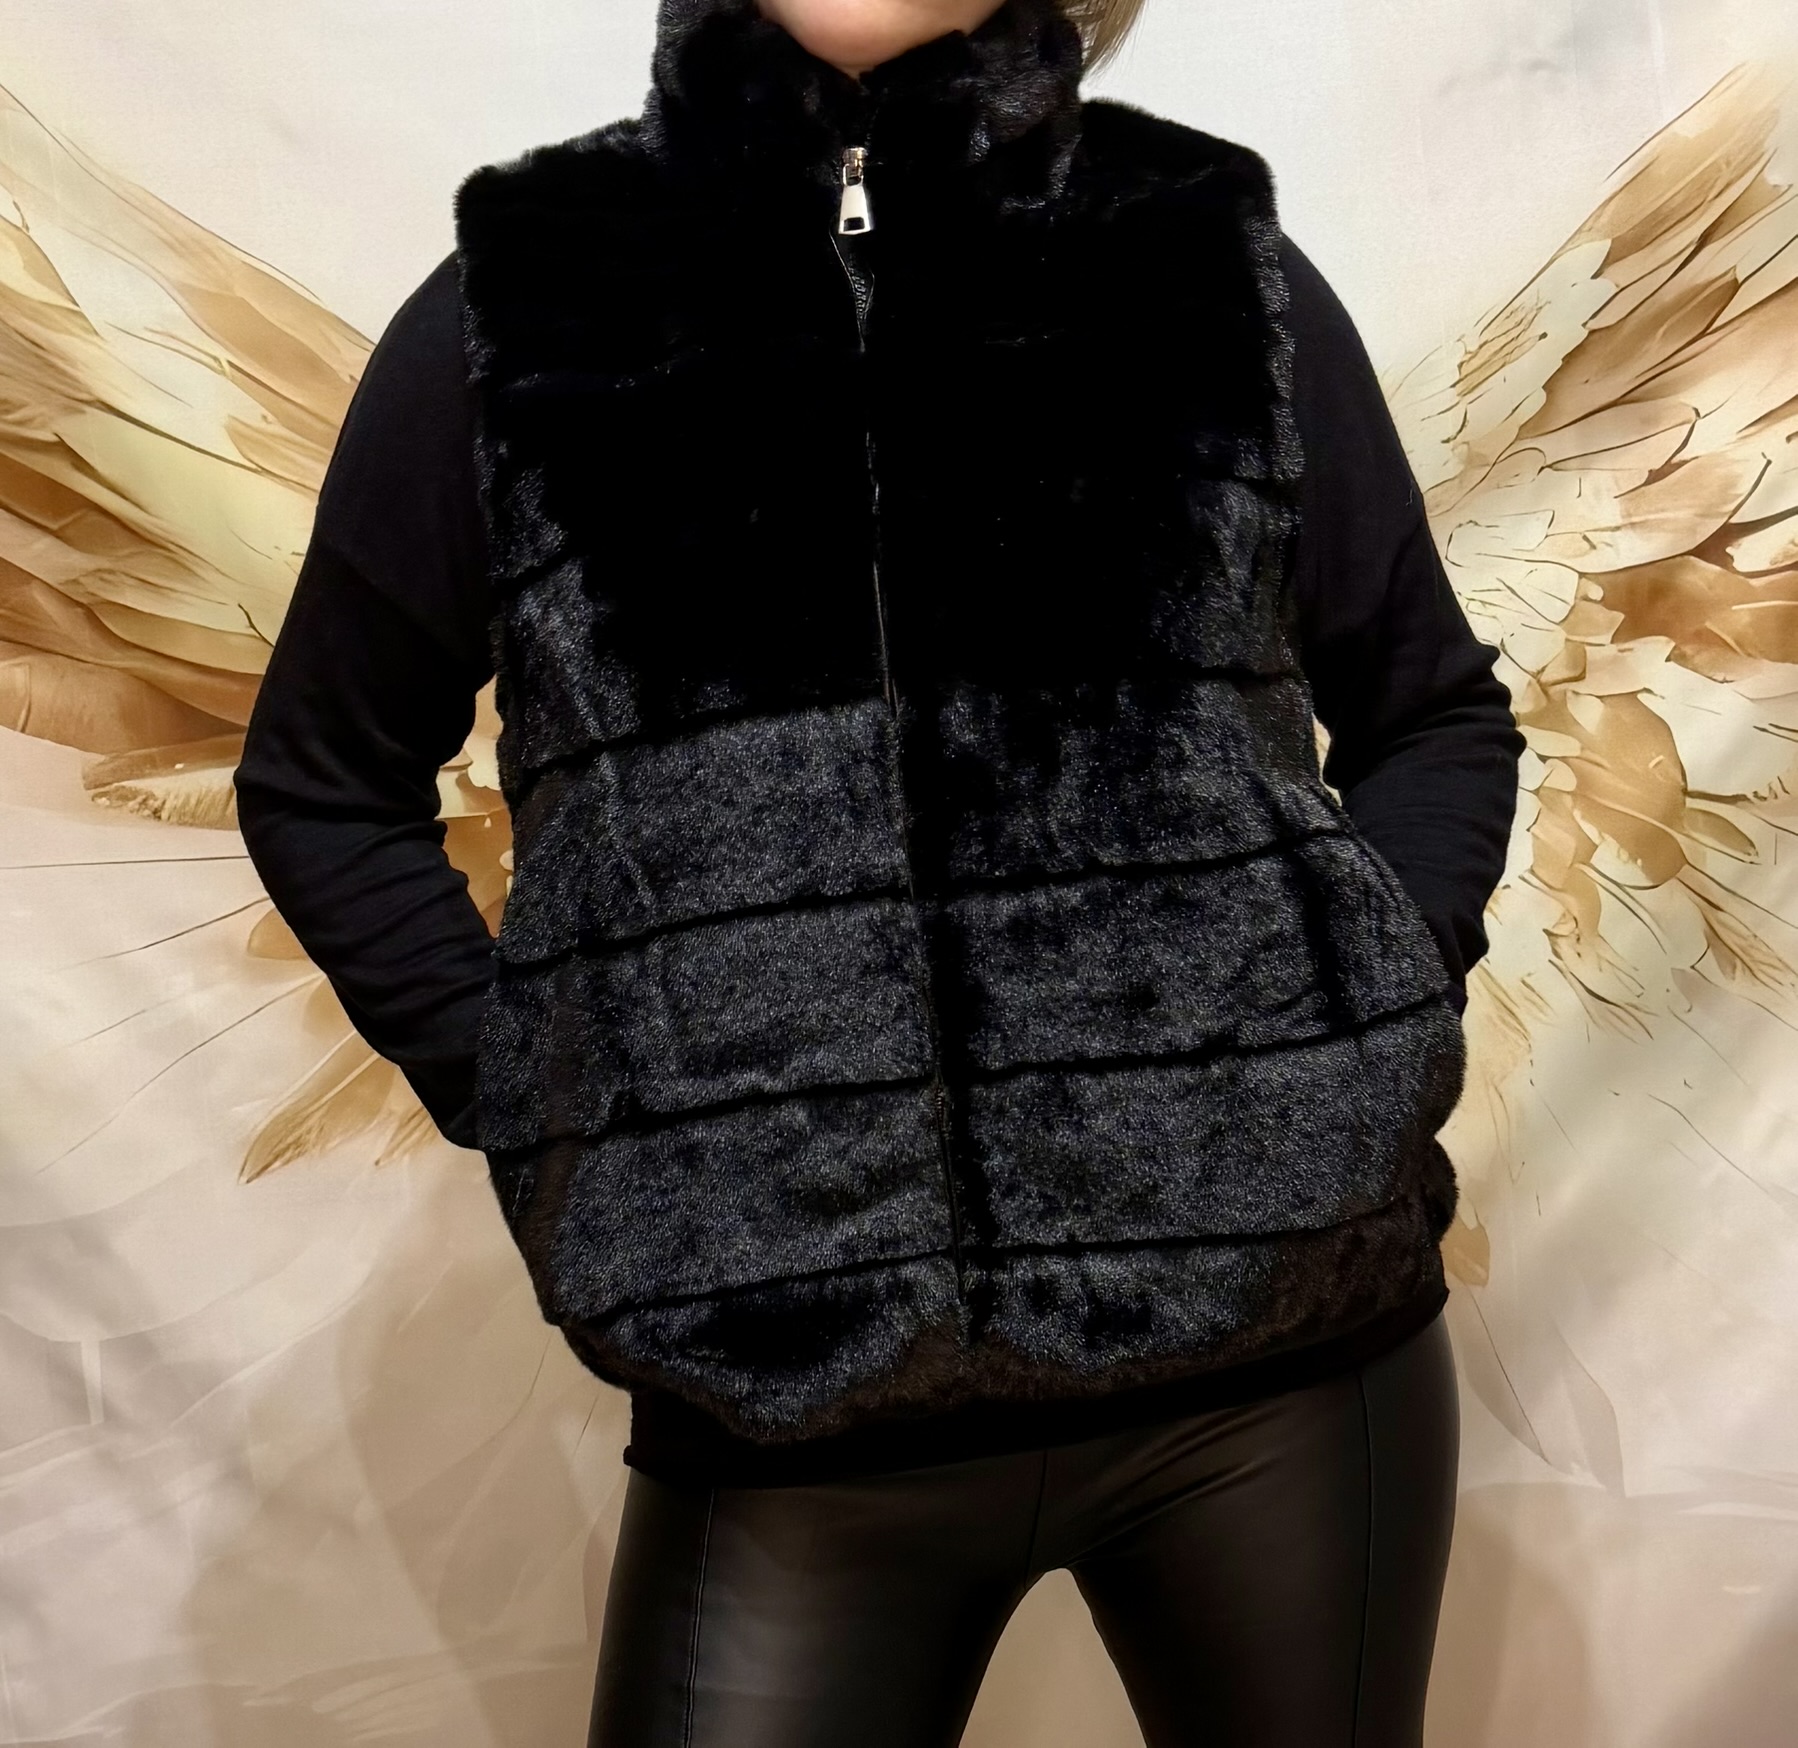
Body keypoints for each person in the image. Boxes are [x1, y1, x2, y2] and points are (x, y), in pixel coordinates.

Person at [234, 0, 1526, 1741]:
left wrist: (1354, 1020)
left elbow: (1430, 710)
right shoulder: (526, 304)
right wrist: (564, 1099)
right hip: (786, 1404)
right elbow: (322, 783)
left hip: (1284, 1377)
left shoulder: (1205, 262)